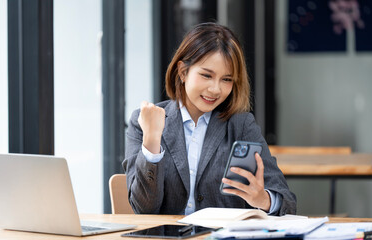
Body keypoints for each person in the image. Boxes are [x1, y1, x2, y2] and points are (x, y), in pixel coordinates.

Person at [122, 22, 296, 216]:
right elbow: (143, 208)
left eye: (227, 79)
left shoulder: (241, 124)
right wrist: (152, 141)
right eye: (206, 75)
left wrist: (263, 199)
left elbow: (287, 203)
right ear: (183, 72)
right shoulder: (143, 121)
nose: (216, 89)